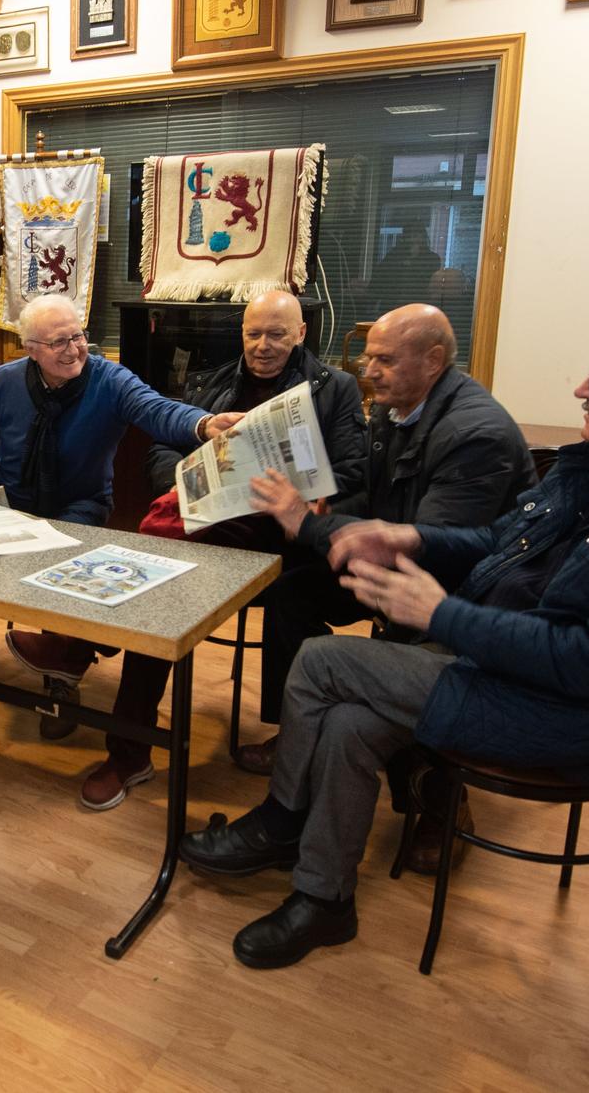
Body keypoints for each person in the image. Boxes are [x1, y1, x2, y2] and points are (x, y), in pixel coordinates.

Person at [177, 310, 589, 971]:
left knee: (320, 659)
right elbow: (502, 541)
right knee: (346, 723)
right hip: (497, 660)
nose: (581, 390)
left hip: (566, 714)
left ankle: (282, 821)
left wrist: (442, 612)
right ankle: (324, 897)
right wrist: (413, 537)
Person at [72, 290, 369, 809]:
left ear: (301, 334)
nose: (262, 345)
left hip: (290, 536)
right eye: (253, 333)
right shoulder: (214, 381)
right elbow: (163, 452)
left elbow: (353, 471)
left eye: (277, 334)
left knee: (185, 567)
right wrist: (186, 479)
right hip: (216, 523)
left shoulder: (334, 388)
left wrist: (301, 493)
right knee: (160, 591)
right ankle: (129, 748)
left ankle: (81, 655)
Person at [237, 303, 533, 821]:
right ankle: (298, 727)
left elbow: (426, 547)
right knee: (292, 594)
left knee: (398, 638)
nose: (368, 372)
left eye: (385, 361)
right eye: (369, 358)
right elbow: (375, 504)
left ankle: (436, 800)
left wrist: (305, 524)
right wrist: (317, 513)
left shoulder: (473, 433)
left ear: (434, 360)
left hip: (458, 592)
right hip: (399, 566)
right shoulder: (398, 410)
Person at [0, 293, 239, 714]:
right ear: (31, 349)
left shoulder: (109, 380)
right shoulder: (6, 380)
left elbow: (156, 409)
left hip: (80, 506)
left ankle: (61, 679)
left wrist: (204, 423)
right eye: (59, 342)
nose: (74, 350)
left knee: (55, 565)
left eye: (78, 336)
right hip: (11, 504)